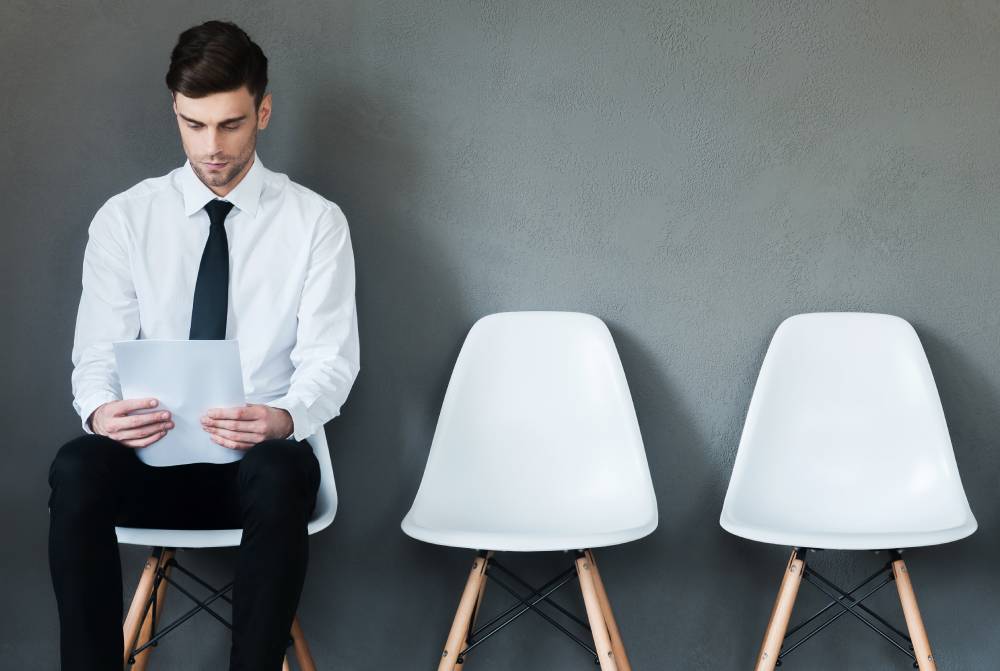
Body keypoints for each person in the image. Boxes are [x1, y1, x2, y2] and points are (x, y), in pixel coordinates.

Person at [47, 19, 360, 671]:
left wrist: (281, 417)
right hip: (149, 463)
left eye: (230, 124)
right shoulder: (125, 219)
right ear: (176, 113)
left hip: (254, 472)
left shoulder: (315, 223)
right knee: (76, 465)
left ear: (263, 112)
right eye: (194, 124)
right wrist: (102, 411)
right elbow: (95, 355)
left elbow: (331, 359)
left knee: (281, 465)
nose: (211, 146)